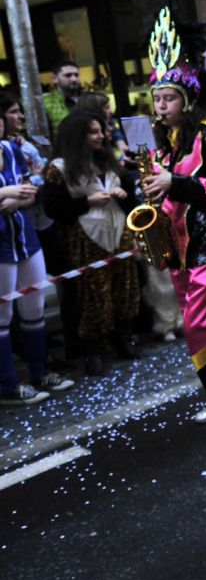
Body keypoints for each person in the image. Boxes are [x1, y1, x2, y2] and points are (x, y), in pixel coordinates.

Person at [140, 6, 206, 436]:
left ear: (185, 99)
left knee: (199, 324)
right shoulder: (156, 140)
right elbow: (159, 186)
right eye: (156, 98)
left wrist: (176, 183)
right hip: (177, 247)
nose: (160, 105)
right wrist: (148, 188)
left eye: (167, 98)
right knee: (201, 324)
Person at [41, 110, 141, 376]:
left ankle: (124, 338)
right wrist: (85, 203)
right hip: (85, 240)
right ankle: (93, 350)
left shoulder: (107, 161)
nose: (101, 136)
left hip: (118, 233)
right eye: (93, 132)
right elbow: (52, 206)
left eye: (101, 131)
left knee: (124, 287)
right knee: (92, 295)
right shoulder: (60, 168)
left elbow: (131, 197)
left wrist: (122, 193)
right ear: (78, 136)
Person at [0, 101, 72, 405]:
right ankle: (8, 387)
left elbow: (29, 190)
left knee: (34, 307)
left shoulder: (11, 149)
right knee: (2, 315)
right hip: (1, 242)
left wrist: (21, 198)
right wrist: (6, 194)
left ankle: (40, 372)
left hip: (25, 236)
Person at [43, 59, 82, 139]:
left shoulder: (89, 99)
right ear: (55, 79)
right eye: (68, 75)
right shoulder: (46, 103)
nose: (74, 79)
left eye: (76, 75)